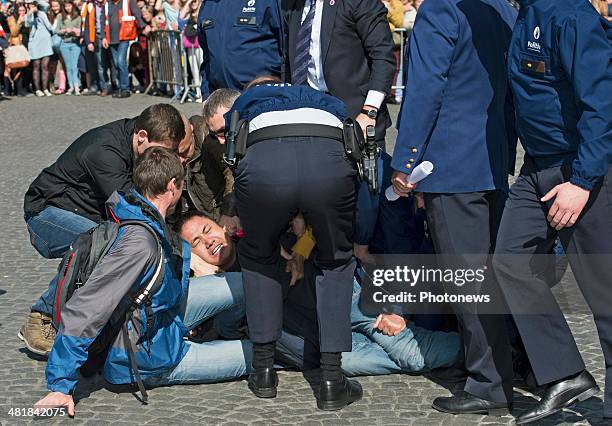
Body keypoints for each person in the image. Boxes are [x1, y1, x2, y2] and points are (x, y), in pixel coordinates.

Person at [32, 147, 253, 417]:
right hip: (146, 356)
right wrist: (60, 384)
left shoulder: (139, 211)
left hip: (161, 317)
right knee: (257, 355)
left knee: (243, 284)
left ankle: (227, 329)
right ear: (173, 186)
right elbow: (87, 308)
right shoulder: (139, 243)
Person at [391, 0, 517, 416]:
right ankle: (501, 369)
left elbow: (426, 87)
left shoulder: (440, 10)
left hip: (450, 163)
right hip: (491, 160)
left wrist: (405, 161)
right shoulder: (501, 8)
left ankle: (488, 383)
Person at [492, 0, 612, 423]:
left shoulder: (571, 17)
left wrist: (581, 182)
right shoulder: (526, 12)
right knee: (509, 263)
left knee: (605, 293)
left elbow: (603, 107)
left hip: (581, 171)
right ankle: (565, 374)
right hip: (537, 168)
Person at [176, 211, 462, 378]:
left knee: (410, 353)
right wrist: (210, 278)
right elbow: (228, 329)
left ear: (223, 227)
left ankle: (486, 351)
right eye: (197, 244)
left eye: (208, 231)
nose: (209, 243)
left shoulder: (259, 239)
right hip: (319, 343)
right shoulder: (219, 291)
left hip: (346, 301)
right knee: (378, 362)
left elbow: (312, 235)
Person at [227, 81, 361, 410]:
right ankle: (331, 379)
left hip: (264, 163)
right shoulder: (327, 98)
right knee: (336, 261)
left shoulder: (247, 101)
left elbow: (232, 151)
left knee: (257, 256)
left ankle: (263, 372)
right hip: (327, 159)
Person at [19, 104, 194, 357]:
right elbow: (135, 209)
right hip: (46, 214)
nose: (164, 160)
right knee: (104, 246)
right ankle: (42, 315)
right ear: (142, 136)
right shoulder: (104, 152)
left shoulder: (143, 140)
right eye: (160, 152)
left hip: (89, 215)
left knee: (112, 239)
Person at [284, 0, 395, 148]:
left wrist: (369, 112)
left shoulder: (358, 3)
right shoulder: (293, 6)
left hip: (356, 118)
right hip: (307, 116)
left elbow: (383, 57)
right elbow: (286, 59)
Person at [196, 0, 283, 99]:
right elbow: (208, 57)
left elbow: (287, 50)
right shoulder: (208, 4)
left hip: (263, 97)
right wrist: (207, 96)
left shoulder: (269, 2)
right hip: (223, 102)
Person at [102, 0, 149, 98]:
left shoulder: (128, 2)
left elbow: (137, 14)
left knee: (120, 62)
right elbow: (103, 21)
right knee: (116, 64)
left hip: (124, 37)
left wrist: (144, 26)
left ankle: (125, 88)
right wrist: (103, 37)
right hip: (111, 39)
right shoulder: (107, 5)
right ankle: (121, 87)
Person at [24, 0, 54, 96]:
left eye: (34, 5)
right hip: (35, 43)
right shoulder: (28, 15)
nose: (33, 7)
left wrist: (36, 2)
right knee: (36, 65)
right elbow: (28, 24)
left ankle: (45, 88)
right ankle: (37, 89)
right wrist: (30, 12)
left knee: (45, 65)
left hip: (45, 42)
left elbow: (47, 5)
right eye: (31, 5)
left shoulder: (42, 13)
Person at [56, 0, 82, 94]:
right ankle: (70, 86)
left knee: (74, 66)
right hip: (65, 43)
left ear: (72, 6)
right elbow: (56, 30)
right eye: (66, 6)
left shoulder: (78, 17)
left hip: (75, 43)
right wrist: (64, 30)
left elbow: (80, 30)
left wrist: (75, 31)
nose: (67, 8)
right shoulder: (60, 17)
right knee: (68, 66)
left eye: (69, 6)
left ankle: (76, 86)